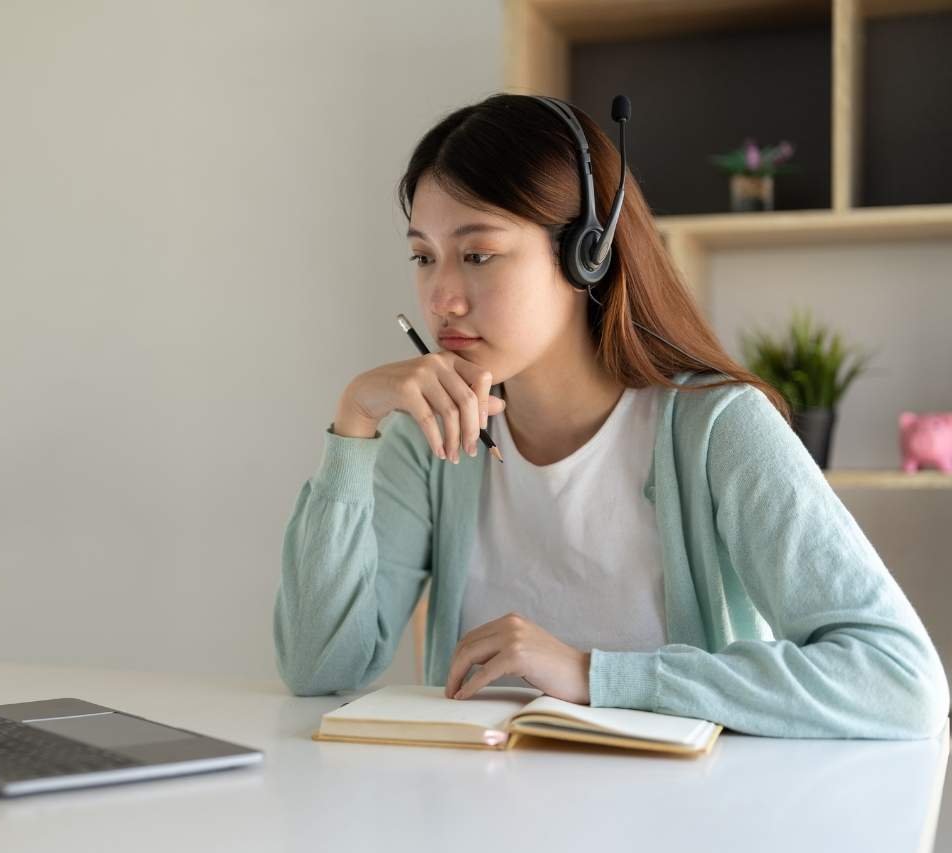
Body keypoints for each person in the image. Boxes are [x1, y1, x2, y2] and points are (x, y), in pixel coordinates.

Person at [272, 93, 950, 739]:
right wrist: (353, 425)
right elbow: (319, 668)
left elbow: (900, 678)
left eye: (478, 254)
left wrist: (593, 674)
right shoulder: (433, 439)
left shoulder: (715, 426)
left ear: (585, 255)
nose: (442, 296)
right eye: (424, 256)